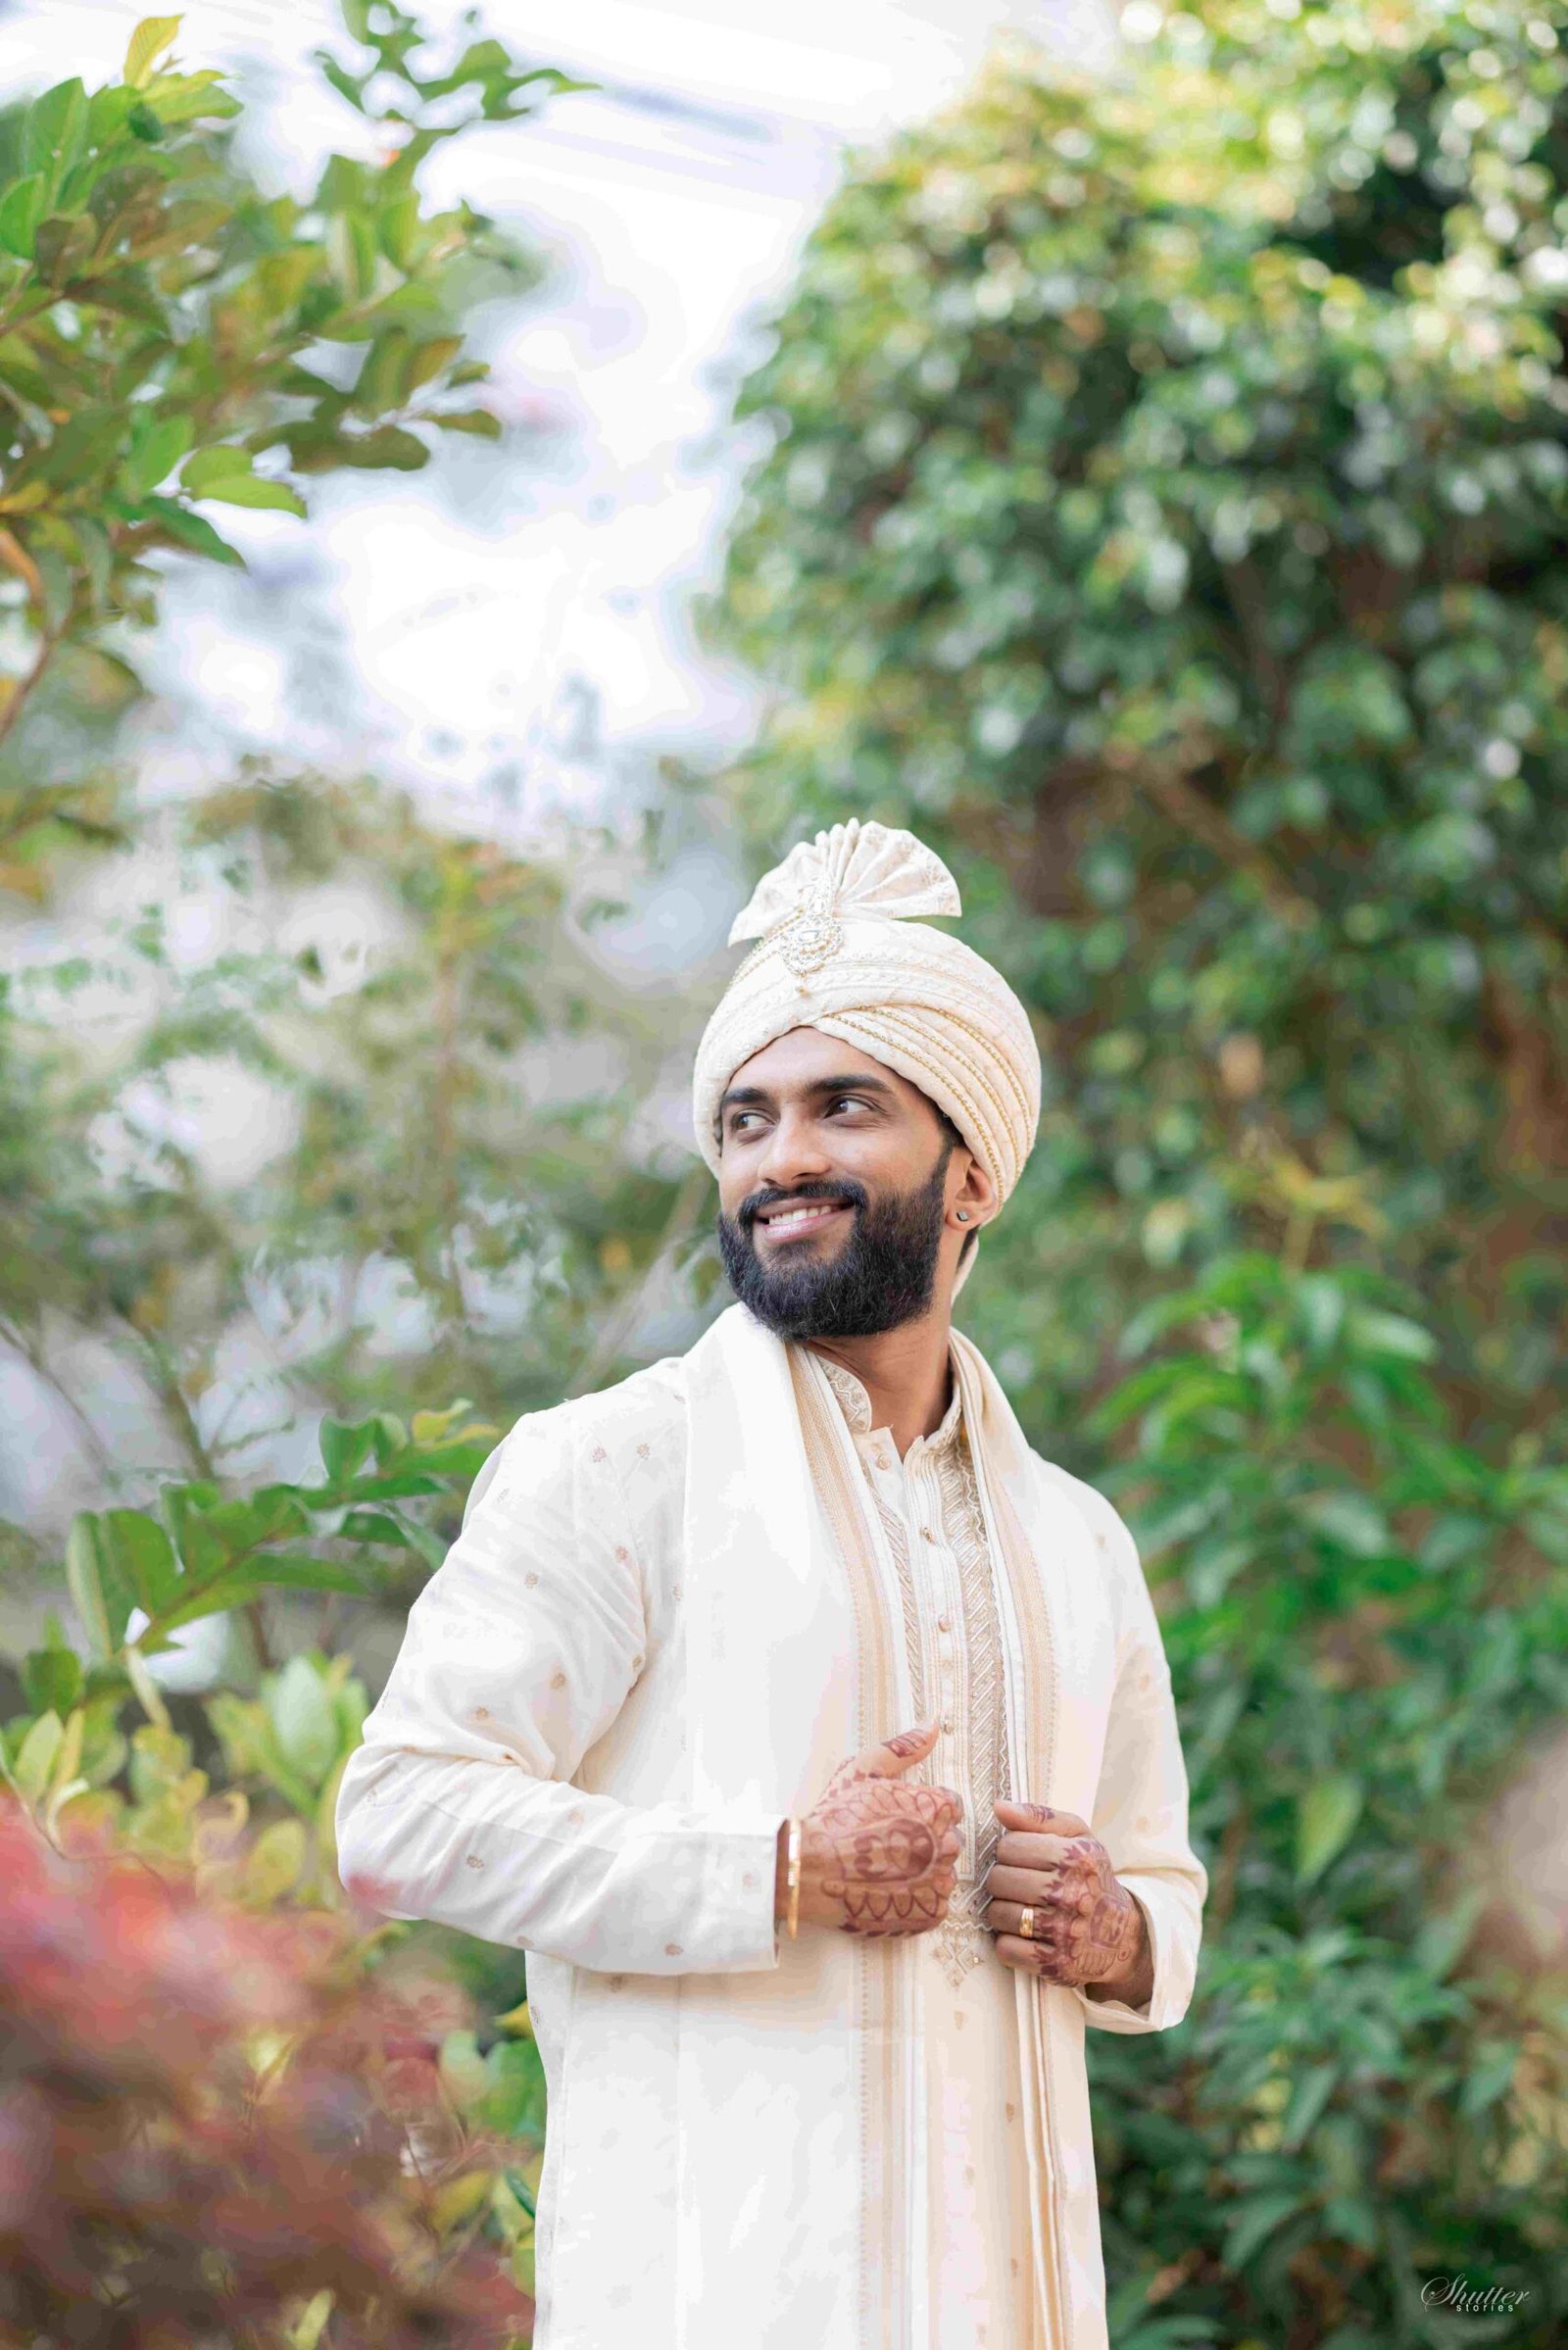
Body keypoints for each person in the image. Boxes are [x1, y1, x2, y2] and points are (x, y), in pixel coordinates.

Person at [334, 818, 1207, 2350]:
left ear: (973, 1173)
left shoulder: (1078, 1540)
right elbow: (399, 1816)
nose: (781, 1158)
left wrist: (1115, 1932)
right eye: (746, 1120)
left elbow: (1161, 1889)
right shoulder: (622, 1462)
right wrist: (783, 1872)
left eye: (843, 1105)